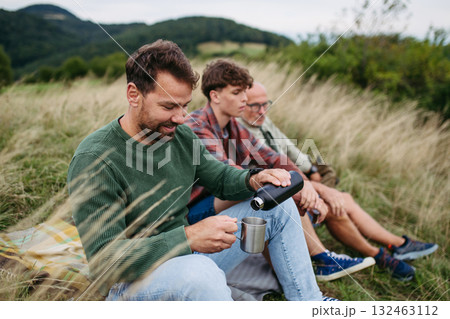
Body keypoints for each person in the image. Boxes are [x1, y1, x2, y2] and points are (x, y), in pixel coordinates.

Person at [67, 40, 328, 301]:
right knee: (201, 273)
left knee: (279, 208)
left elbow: (221, 176)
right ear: (133, 94)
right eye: (169, 106)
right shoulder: (95, 158)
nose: (181, 117)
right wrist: (188, 237)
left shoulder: (181, 135)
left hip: (188, 257)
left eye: (185, 105)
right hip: (129, 284)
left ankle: (310, 303)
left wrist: (255, 179)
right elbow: (105, 263)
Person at [185, 59, 376, 283]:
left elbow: (272, 157)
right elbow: (226, 175)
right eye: (237, 92)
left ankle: (316, 259)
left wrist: (304, 183)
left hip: (221, 200)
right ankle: (320, 259)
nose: (245, 99)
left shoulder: (232, 126)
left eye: (245, 92)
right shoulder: (198, 125)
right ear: (215, 96)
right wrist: (289, 184)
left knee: (280, 186)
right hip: (195, 213)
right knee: (273, 189)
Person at [237, 81, 439, 280]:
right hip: (284, 191)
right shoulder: (241, 132)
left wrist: (311, 169)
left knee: (342, 200)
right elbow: (275, 175)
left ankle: (392, 248)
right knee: (336, 203)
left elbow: (288, 147)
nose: (262, 110)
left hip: (298, 180)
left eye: (266, 104)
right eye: (255, 105)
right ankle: (379, 253)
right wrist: (313, 185)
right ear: (241, 104)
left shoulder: (262, 121)